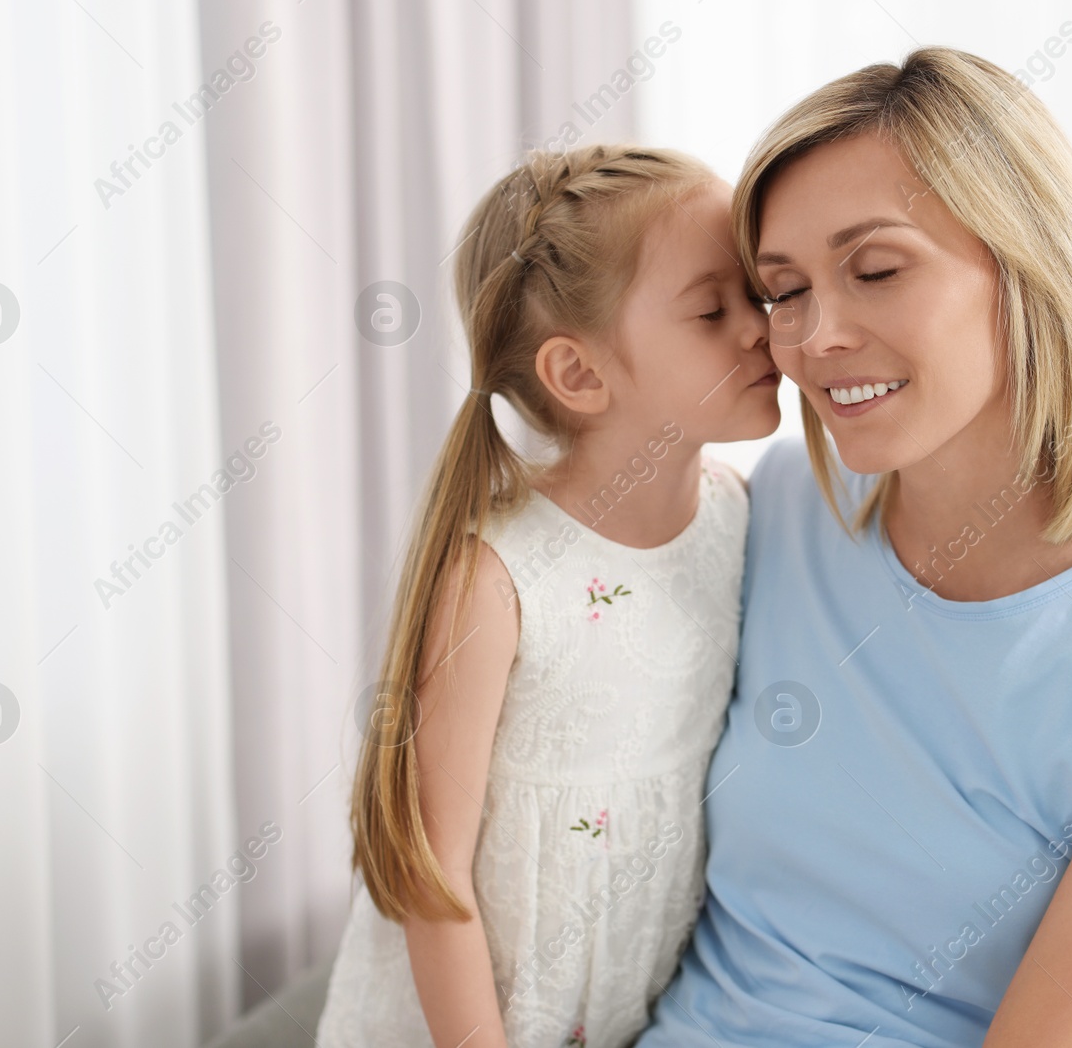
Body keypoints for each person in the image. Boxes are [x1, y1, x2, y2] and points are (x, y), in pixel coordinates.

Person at [637, 47, 1072, 1048]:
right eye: (784, 288)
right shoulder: (781, 506)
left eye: (877, 269)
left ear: (1026, 266)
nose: (813, 337)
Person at [316, 144, 783, 1047]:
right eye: (712, 309)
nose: (760, 328)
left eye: (756, 295)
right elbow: (432, 868)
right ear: (579, 374)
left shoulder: (736, 516)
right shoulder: (499, 578)